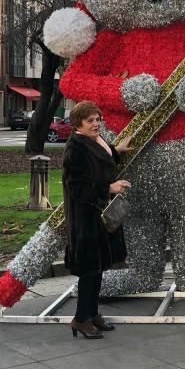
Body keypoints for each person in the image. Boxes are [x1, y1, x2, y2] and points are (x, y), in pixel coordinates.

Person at [62, 101, 131, 340]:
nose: (96, 124)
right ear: (77, 124)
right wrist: (109, 187)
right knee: (90, 271)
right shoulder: (76, 148)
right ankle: (81, 319)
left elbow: (104, 158)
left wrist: (117, 150)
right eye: (90, 120)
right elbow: (77, 188)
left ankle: (92, 314)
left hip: (98, 218)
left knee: (99, 268)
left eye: (98, 119)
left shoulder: (94, 141)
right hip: (85, 219)